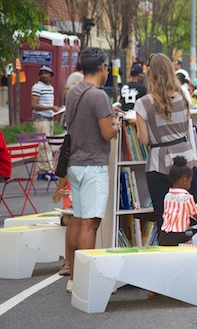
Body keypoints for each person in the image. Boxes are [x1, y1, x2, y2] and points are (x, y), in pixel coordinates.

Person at [64, 47, 119, 293]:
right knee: (90, 223)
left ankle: (74, 277)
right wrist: (117, 124)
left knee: (77, 220)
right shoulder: (99, 95)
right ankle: (86, 282)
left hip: (74, 164)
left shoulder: (73, 92)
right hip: (93, 166)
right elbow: (107, 132)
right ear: (103, 68)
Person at [135, 53, 197, 232]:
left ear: (151, 74)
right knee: (190, 215)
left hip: (159, 163)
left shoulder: (143, 104)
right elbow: (185, 130)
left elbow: (144, 139)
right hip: (186, 160)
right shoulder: (183, 98)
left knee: (165, 220)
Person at [159, 156, 197, 246]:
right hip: (178, 235)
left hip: (164, 234)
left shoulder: (167, 196)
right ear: (185, 180)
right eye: (190, 182)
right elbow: (194, 213)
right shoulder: (187, 197)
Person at [31, 65, 60, 181]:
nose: (44, 75)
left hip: (49, 118)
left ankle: (42, 170)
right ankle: (49, 170)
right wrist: (51, 108)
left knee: (46, 144)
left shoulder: (50, 88)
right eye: (42, 73)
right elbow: (34, 105)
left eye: (46, 73)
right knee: (45, 145)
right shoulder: (37, 87)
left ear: (51, 75)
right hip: (41, 118)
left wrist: (52, 109)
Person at [52, 176, 73, 276]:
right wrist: (59, 194)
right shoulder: (66, 177)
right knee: (70, 220)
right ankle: (68, 261)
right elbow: (55, 199)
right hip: (68, 211)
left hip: (82, 209)